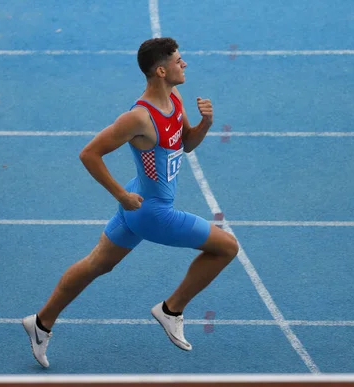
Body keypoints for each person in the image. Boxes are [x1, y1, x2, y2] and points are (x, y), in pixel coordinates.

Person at [22, 37, 239, 368]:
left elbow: (187, 145)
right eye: (179, 61)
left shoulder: (175, 98)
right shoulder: (138, 118)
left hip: (138, 204)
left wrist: (205, 124)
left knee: (98, 263)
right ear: (161, 70)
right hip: (150, 212)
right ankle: (171, 309)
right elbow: (89, 153)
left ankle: (40, 322)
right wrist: (119, 194)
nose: (185, 64)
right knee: (227, 248)